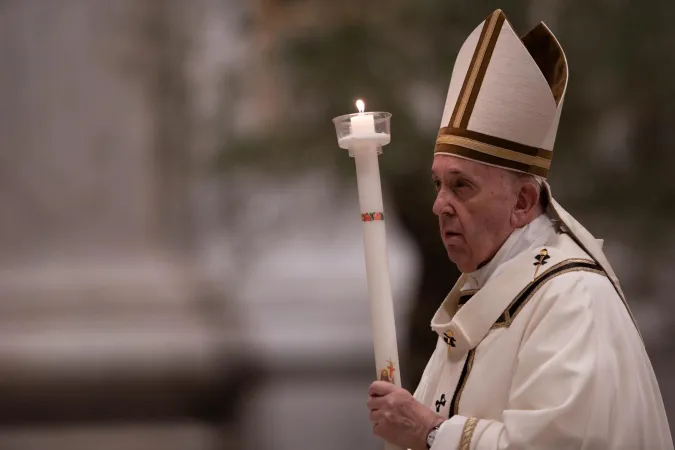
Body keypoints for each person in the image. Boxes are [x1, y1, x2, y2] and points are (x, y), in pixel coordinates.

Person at [366, 9, 673, 450]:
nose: (439, 205)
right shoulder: (484, 292)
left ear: (523, 202)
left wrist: (429, 433)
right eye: (438, 184)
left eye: (461, 186)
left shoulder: (572, 300)